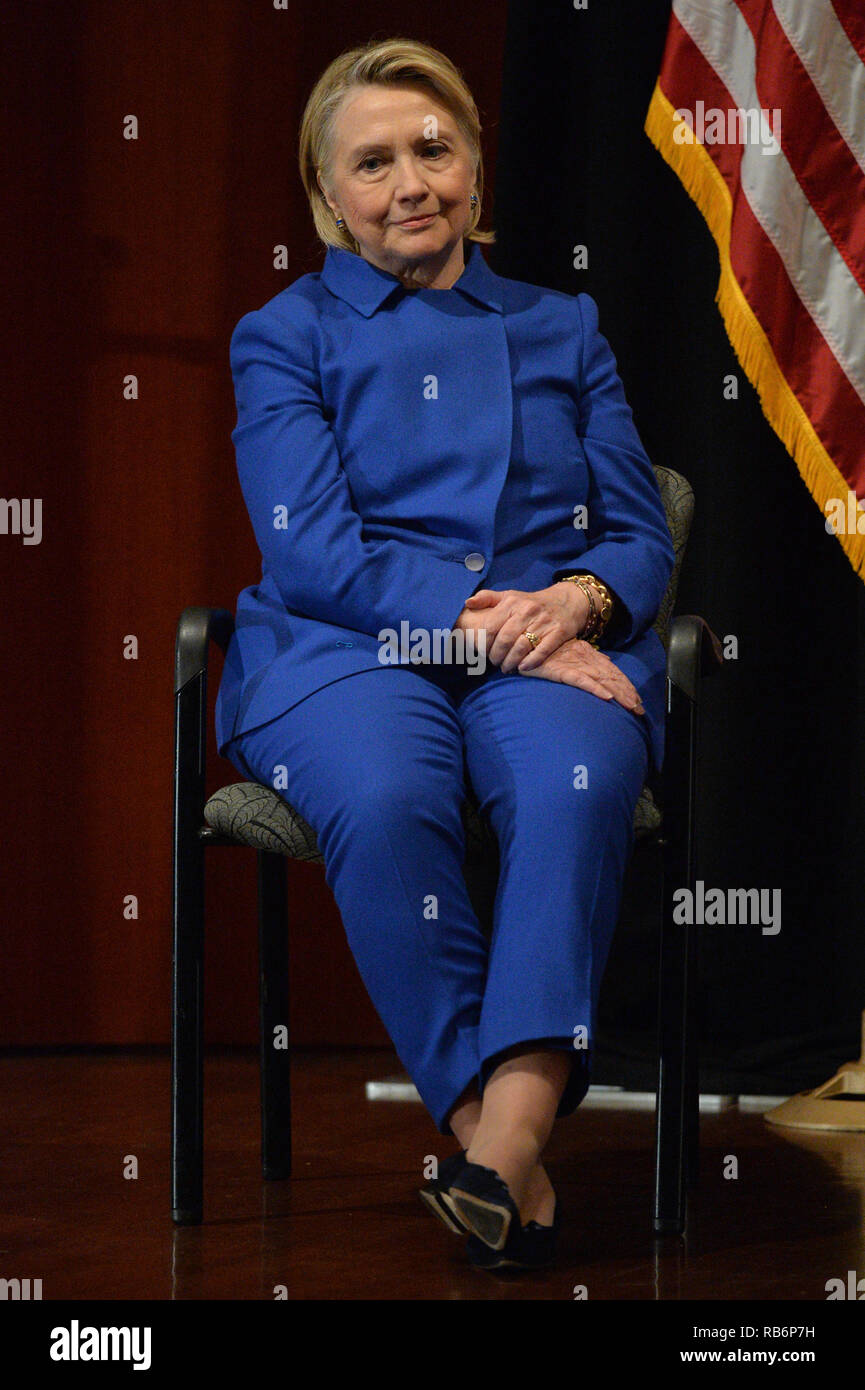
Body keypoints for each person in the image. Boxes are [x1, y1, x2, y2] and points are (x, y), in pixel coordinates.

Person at [215, 36, 675, 1271]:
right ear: (328, 195)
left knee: (572, 783)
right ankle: (499, 1152)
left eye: (434, 148)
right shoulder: (283, 335)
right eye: (373, 162)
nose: (410, 180)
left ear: (475, 164)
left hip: (546, 644)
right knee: (387, 790)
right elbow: (311, 550)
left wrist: (578, 602)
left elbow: (638, 533)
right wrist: (491, 617)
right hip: (351, 645)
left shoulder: (560, 323)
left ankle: (498, 1149)